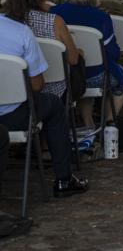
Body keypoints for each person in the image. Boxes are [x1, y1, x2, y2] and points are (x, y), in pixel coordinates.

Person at [0, 10, 88, 197]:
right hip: (13, 115)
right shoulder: (20, 31)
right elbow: (37, 85)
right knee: (55, 105)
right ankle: (63, 178)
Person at [51, 0, 123, 127]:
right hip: (95, 75)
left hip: (65, 74)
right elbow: (112, 53)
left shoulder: (55, 12)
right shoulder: (101, 17)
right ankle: (109, 123)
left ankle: (88, 121)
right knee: (121, 77)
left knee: (85, 72)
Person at [4, 0, 81, 98]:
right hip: (54, 89)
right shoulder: (54, 21)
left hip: (14, 88)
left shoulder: (7, 21)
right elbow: (74, 59)